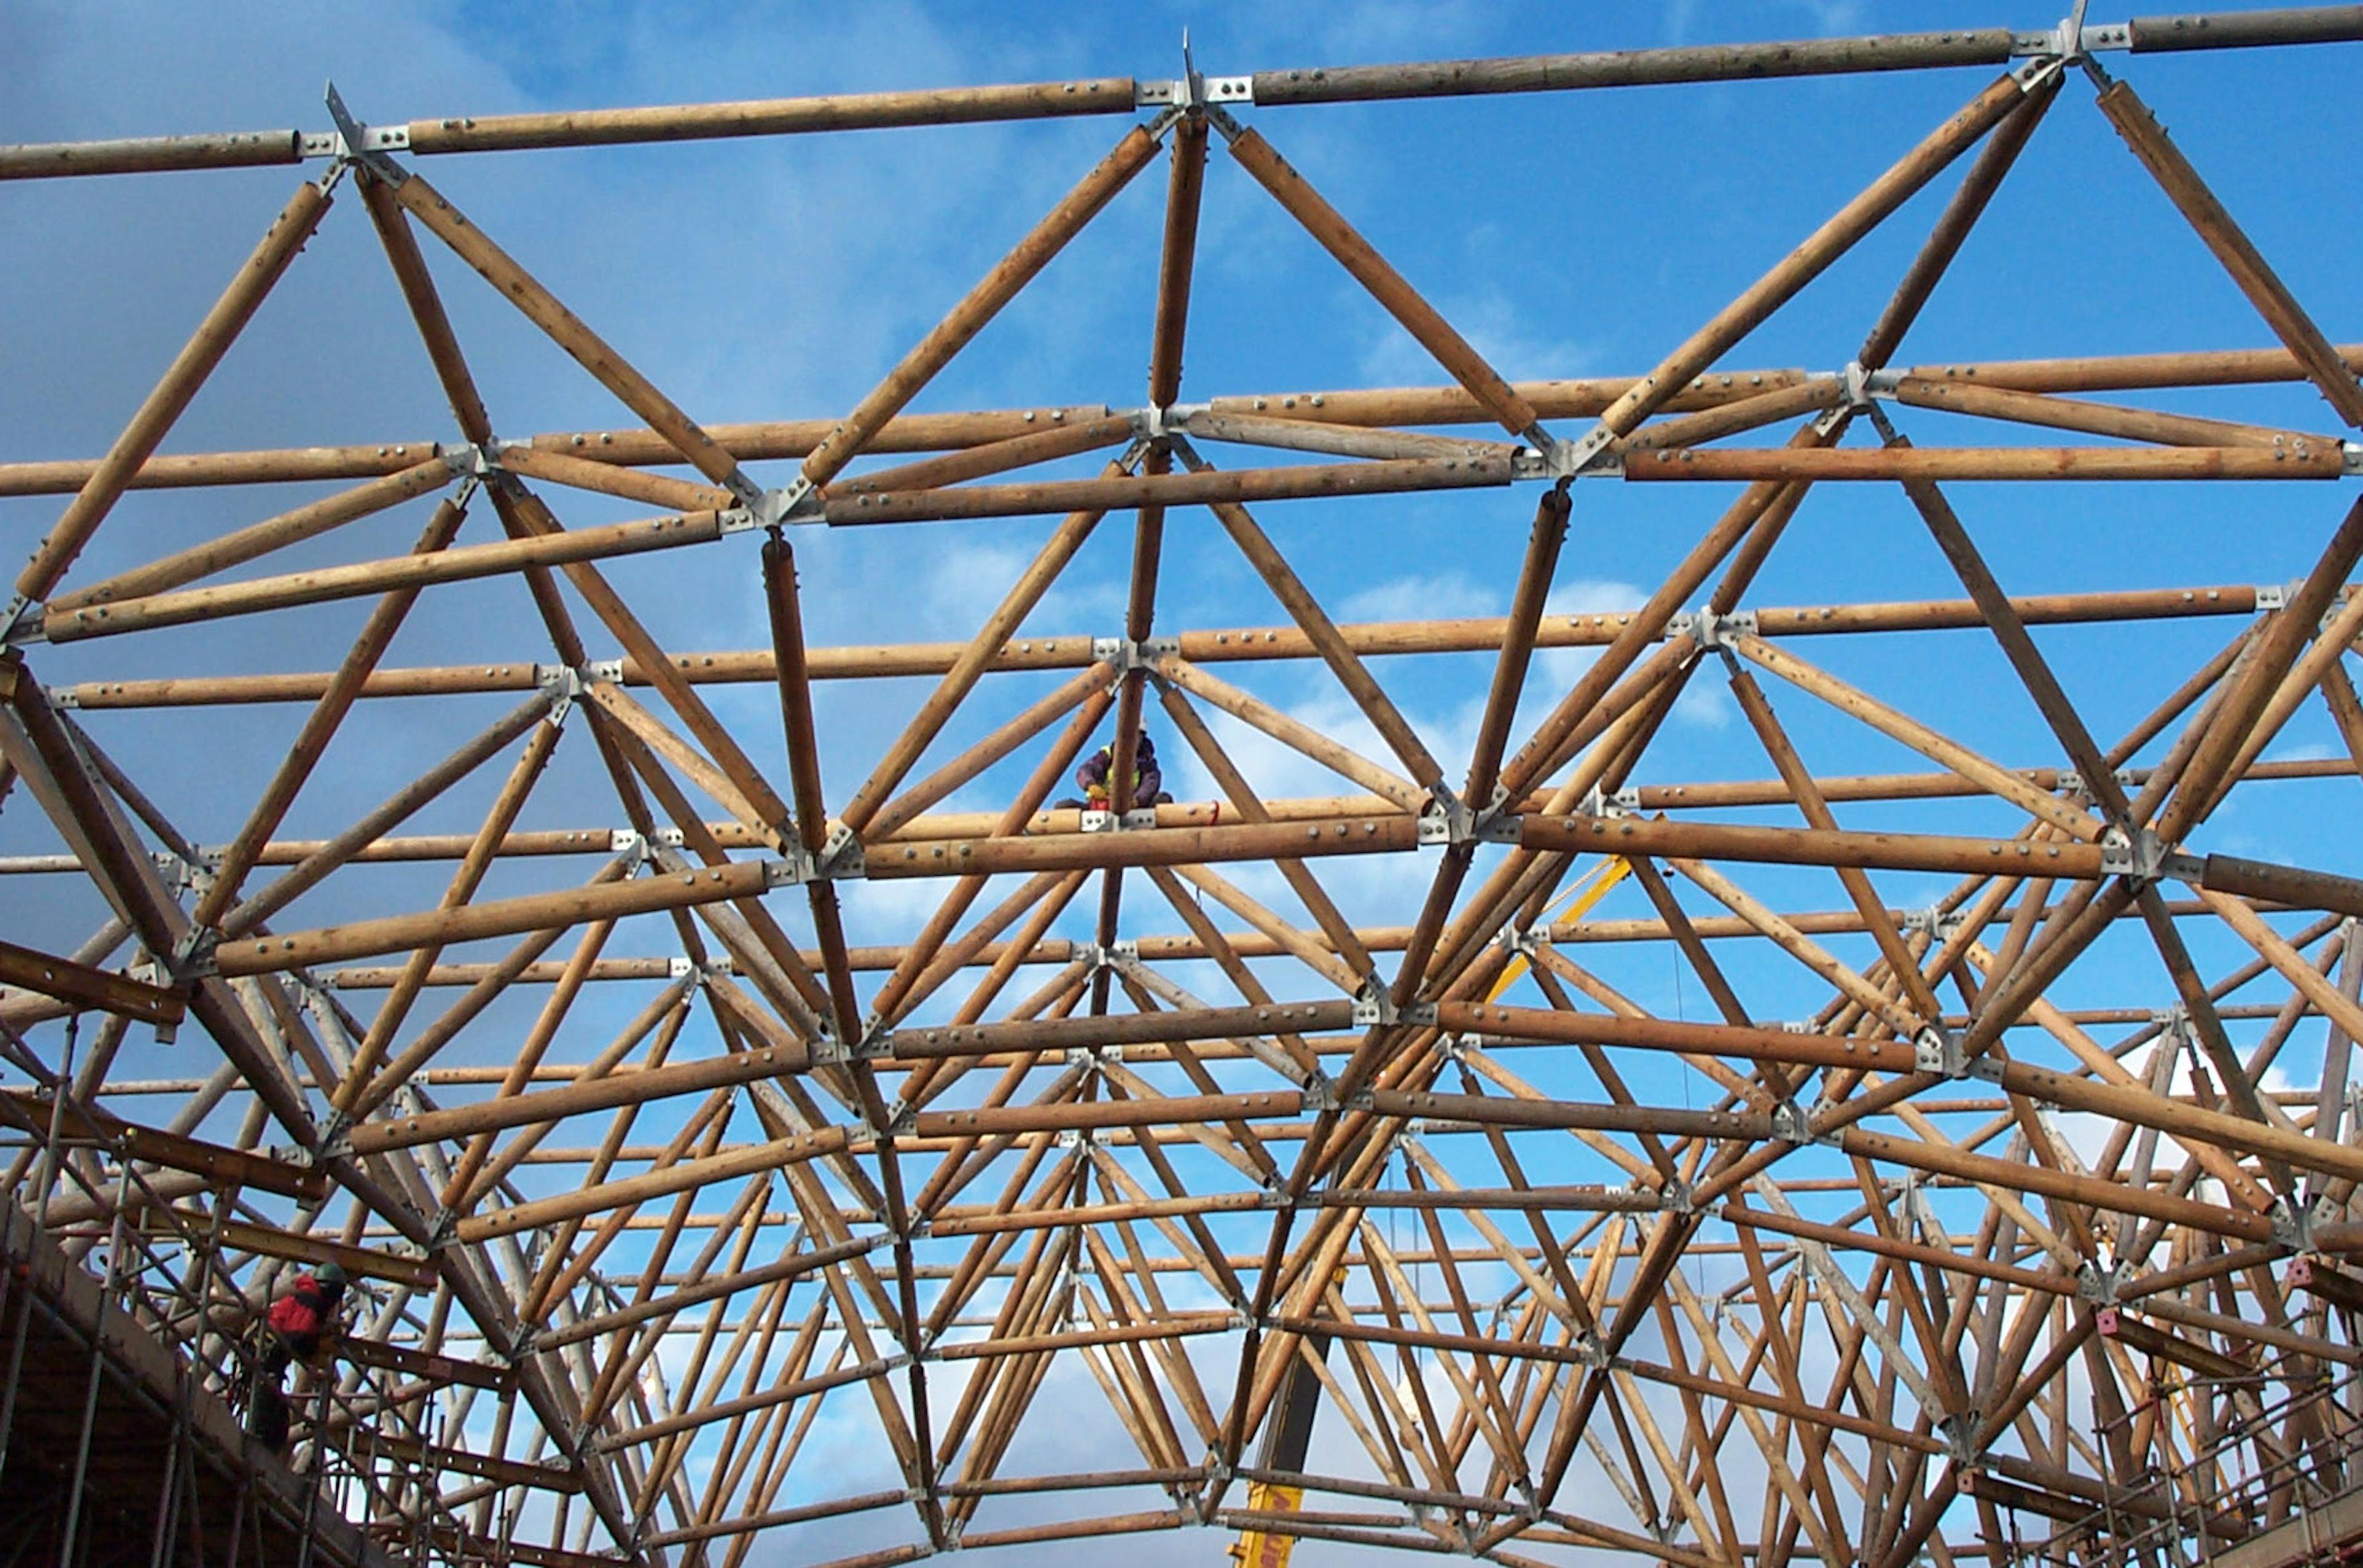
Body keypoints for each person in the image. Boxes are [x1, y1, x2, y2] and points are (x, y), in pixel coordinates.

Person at [246, 1262, 347, 1449]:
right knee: (269, 1409)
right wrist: (315, 1356)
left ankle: (258, 1441)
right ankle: (256, 1443)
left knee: (271, 1407)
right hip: (264, 1351)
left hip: (267, 1351)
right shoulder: (311, 1300)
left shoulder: (310, 1299)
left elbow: (299, 1337)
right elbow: (299, 1337)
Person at [1066, 732, 1169, 812]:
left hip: (1136, 809)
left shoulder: (1147, 762)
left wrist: (1137, 800)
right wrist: (1091, 785)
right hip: (1100, 806)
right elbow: (1087, 770)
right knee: (1064, 807)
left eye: (1137, 736)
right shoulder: (1107, 755)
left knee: (1163, 800)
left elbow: (1150, 784)